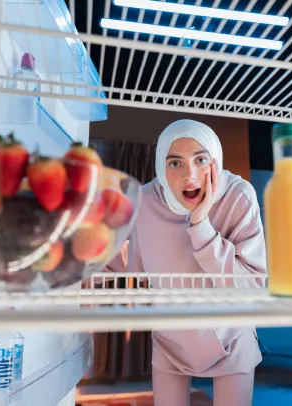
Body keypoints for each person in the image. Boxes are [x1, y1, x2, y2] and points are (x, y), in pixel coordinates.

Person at [105, 119, 267, 406]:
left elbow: (252, 285)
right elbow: (133, 262)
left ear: (215, 161)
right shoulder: (144, 201)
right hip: (171, 340)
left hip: (231, 337)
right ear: (160, 167)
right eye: (175, 163)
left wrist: (201, 225)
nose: (190, 175)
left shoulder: (239, 196)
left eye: (201, 160)